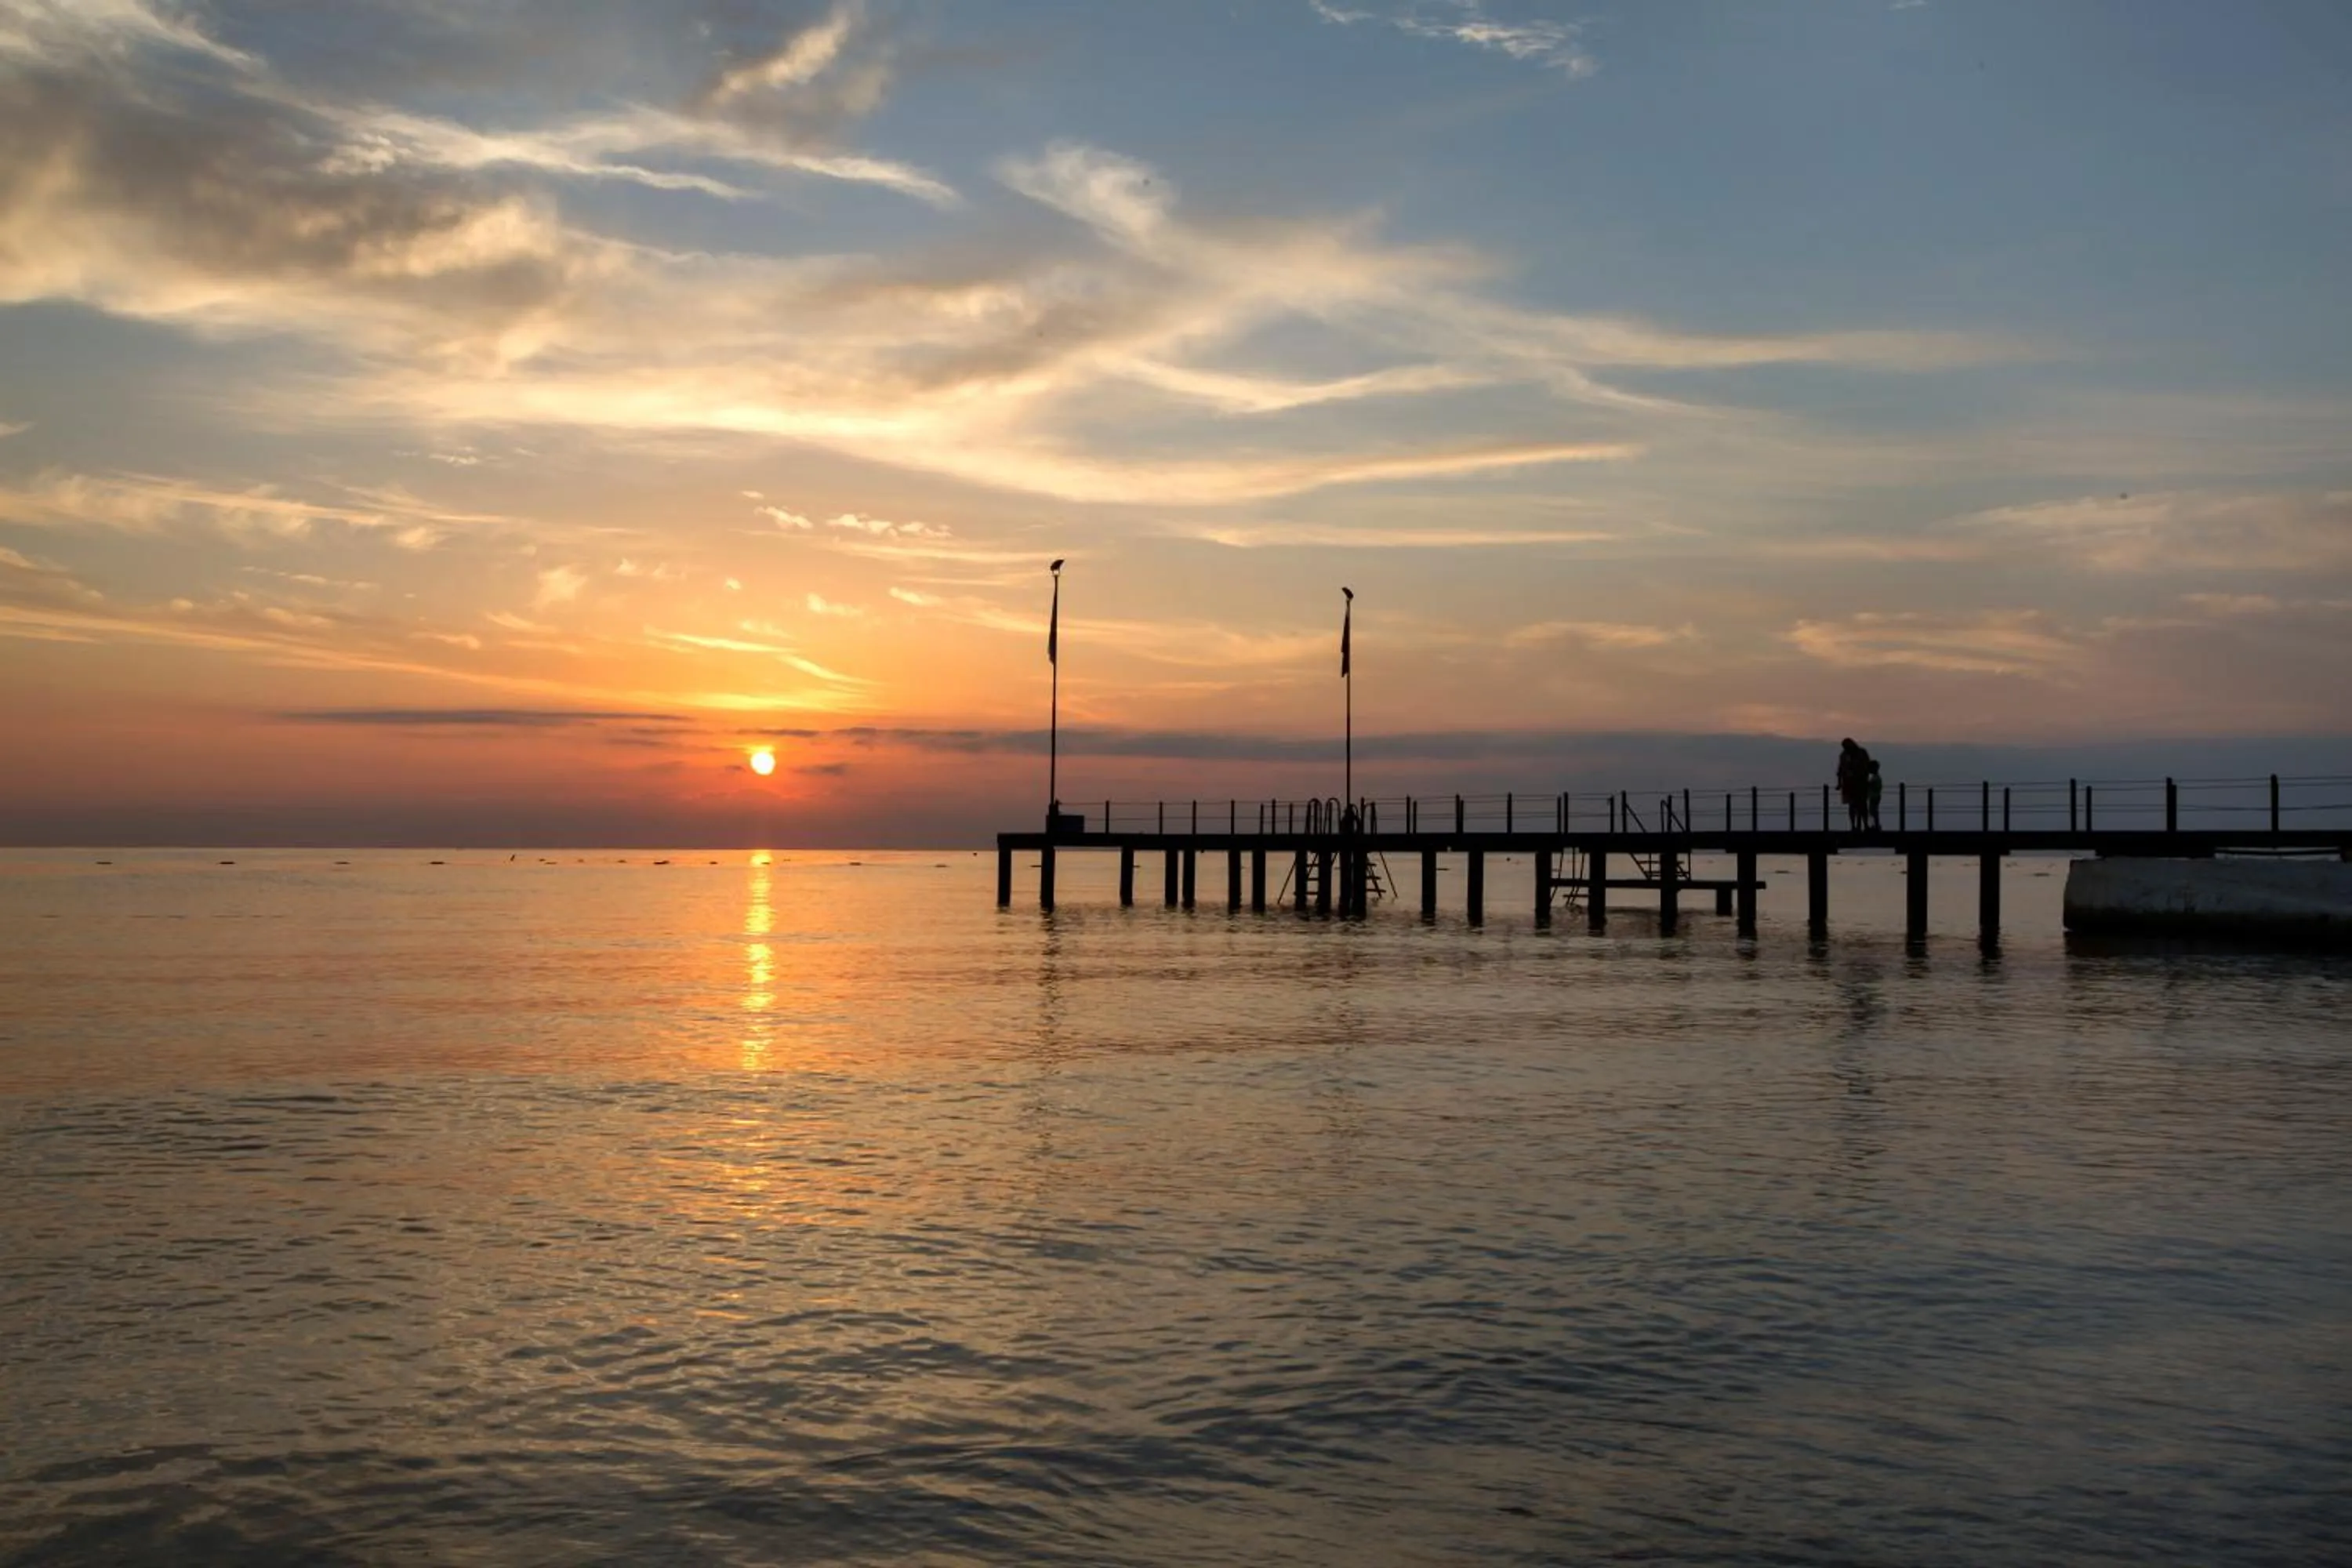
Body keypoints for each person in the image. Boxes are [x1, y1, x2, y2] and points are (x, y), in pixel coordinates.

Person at [1835, 739, 1869, 831]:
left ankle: (1865, 825)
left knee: (1862, 805)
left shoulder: (1862, 753)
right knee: (1852, 805)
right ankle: (1854, 826)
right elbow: (1840, 770)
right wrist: (1839, 783)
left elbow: (1867, 767)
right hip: (1849, 784)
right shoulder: (1843, 755)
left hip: (1860, 783)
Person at [1865, 760, 1884, 832]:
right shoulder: (1876, 777)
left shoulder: (1875, 778)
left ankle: (1876, 826)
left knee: (1874, 812)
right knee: (1873, 812)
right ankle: (1875, 825)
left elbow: (1870, 785)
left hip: (1874, 797)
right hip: (1875, 796)